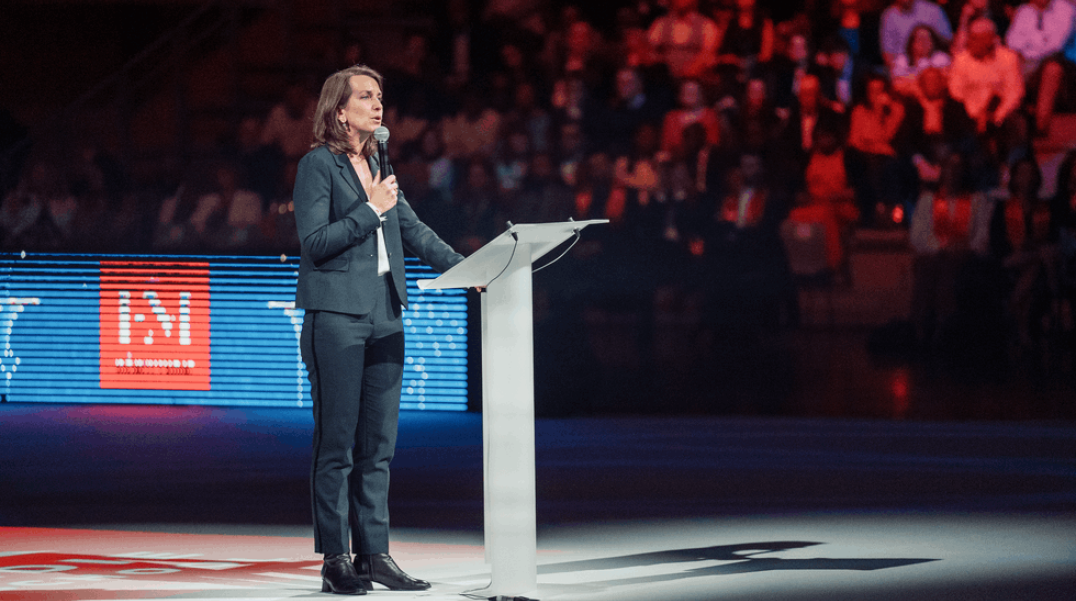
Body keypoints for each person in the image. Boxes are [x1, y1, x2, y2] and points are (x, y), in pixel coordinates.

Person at [292, 64, 465, 595]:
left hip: (386, 315)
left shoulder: (378, 164)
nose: (377, 103)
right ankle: (335, 559)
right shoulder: (317, 166)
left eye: (380, 96)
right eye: (365, 96)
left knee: (379, 447)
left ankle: (375, 554)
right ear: (339, 110)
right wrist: (370, 209)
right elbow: (315, 241)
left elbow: (410, 227)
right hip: (338, 316)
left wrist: (466, 269)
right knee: (338, 444)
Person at [1004, 0, 1076, 136]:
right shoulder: (1024, 11)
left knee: (1052, 67)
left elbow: (1057, 44)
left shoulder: (1066, 10)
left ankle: (1041, 125)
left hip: (1064, 66)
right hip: (1030, 63)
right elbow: (1012, 42)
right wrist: (1028, 55)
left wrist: (1028, 52)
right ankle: (1012, 124)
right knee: (1009, 61)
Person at [947, 18, 1024, 134]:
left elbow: (1014, 94)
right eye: (970, 37)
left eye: (975, 38)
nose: (969, 42)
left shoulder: (1008, 58)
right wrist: (978, 115)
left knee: (1017, 123)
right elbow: (956, 93)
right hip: (970, 115)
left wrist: (996, 117)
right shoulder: (961, 60)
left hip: (999, 113)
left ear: (989, 39)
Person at [880, 0, 954, 71]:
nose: (921, 42)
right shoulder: (889, 16)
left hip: (935, 67)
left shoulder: (933, 10)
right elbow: (888, 54)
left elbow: (948, 42)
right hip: (905, 70)